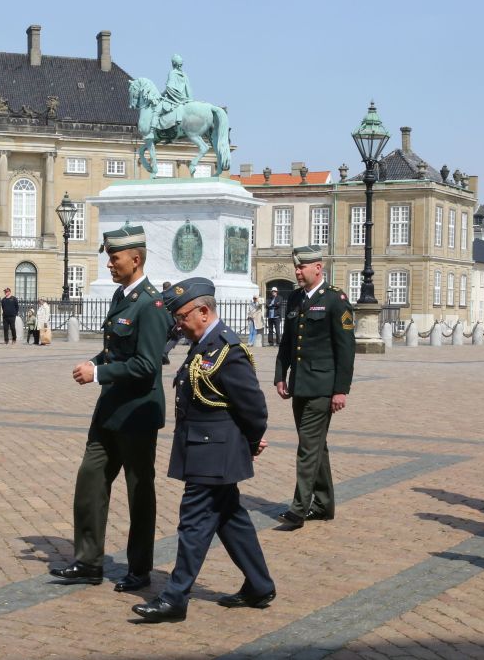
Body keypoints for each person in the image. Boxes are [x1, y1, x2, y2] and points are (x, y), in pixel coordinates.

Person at [131, 278, 275, 623]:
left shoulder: (228, 349)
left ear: (204, 311)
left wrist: (252, 441)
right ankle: (259, 584)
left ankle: (175, 597)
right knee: (230, 518)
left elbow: (254, 408)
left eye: (182, 317)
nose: (178, 324)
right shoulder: (203, 345)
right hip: (206, 450)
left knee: (193, 524)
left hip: (214, 455)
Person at [51, 225, 171, 592]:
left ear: (135, 259)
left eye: (114, 258)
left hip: (137, 412)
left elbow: (147, 364)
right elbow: (116, 350)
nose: (109, 263)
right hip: (109, 410)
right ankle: (88, 561)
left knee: (139, 492)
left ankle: (139, 569)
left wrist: (99, 372)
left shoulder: (151, 305)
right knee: (90, 479)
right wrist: (95, 361)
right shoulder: (122, 297)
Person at [273, 245, 355, 529]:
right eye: (296, 267)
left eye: (302, 267)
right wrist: (280, 374)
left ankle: (298, 509)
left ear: (317, 268)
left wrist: (341, 389)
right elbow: (287, 341)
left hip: (323, 386)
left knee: (307, 447)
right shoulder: (296, 298)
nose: (297, 271)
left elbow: (346, 349)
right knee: (316, 447)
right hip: (300, 385)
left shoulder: (335, 300)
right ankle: (323, 504)